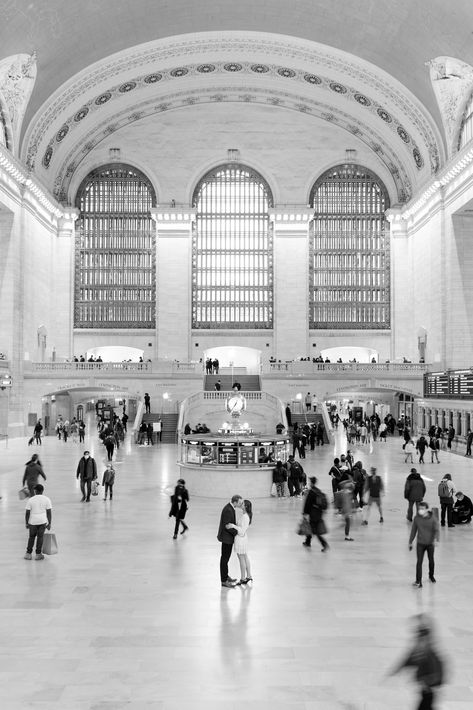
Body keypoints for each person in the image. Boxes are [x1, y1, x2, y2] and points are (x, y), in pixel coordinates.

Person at [388, 615, 445, 709]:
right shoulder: (421, 650)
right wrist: (396, 670)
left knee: (425, 706)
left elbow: (436, 674)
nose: (418, 640)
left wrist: (426, 681)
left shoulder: (430, 654)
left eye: (421, 638)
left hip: (429, 690)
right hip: (426, 690)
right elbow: (408, 660)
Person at [409, 501, 440, 587]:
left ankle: (431, 575)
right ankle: (418, 581)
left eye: (422, 509)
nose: (420, 510)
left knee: (431, 560)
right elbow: (413, 531)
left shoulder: (433, 518)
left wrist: (437, 540)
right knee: (419, 562)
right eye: (419, 509)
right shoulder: (416, 518)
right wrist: (410, 542)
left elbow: (437, 529)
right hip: (420, 544)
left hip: (430, 544)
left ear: (427, 509)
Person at [217, 495, 242, 588]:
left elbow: (230, 524)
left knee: (226, 558)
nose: (240, 504)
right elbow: (227, 526)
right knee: (224, 559)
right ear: (235, 502)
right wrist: (238, 532)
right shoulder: (228, 509)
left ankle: (226, 576)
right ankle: (223, 581)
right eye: (239, 503)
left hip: (228, 538)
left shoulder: (230, 507)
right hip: (226, 538)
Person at [226, 499, 253, 584]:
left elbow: (241, 532)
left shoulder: (245, 517)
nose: (241, 504)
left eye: (242, 504)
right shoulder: (245, 515)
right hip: (243, 539)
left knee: (241, 559)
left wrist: (233, 526)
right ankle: (248, 576)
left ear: (245, 507)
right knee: (245, 557)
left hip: (241, 540)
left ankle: (243, 578)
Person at [24, 483, 52, 560]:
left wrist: (26, 523)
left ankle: (28, 554)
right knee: (40, 537)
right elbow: (49, 512)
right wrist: (49, 523)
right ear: (42, 490)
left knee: (31, 537)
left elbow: (27, 513)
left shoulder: (31, 500)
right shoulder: (47, 499)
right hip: (42, 521)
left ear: (35, 491)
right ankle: (38, 554)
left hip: (32, 521)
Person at [302, 476, 329, 551]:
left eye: (309, 482)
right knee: (311, 528)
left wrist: (304, 513)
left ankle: (324, 544)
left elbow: (308, 504)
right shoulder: (318, 491)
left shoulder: (311, 492)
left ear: (311, 483)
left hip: (313, 514)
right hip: (318, 513)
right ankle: (307, 542)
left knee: (316, 531)